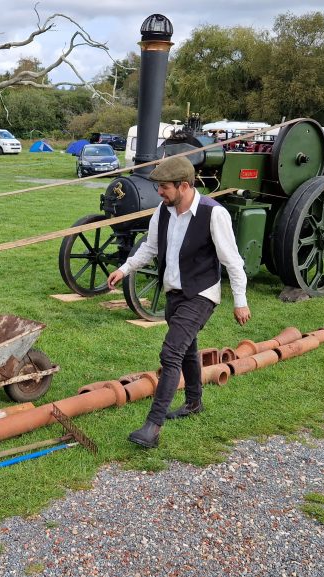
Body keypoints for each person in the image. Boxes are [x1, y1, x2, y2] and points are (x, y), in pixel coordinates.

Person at [106, 156, 250, 449]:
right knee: (187, 349)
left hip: (201, 293)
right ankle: (194, 402)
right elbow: (150, 247)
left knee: (171, 353)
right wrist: (124, 269)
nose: (159, 192)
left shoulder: (214, 214)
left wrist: (240, 301)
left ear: (184, 186)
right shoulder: (164, 209)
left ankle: (152, 427)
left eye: (164, 187)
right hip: (174, 291)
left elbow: (233, 261)